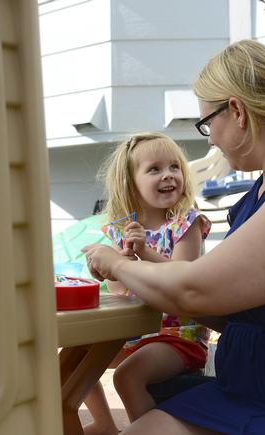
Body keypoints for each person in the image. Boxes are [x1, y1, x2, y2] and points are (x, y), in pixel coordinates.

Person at [83, 39, 265, 435]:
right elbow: (228, 308)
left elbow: (196, 290)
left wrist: (116, 263)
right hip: (253, 395)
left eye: (208, 124)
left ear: (237, 111)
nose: (210, 140)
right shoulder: (260, 195)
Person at [83, 133, 211, 435]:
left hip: (178, 336)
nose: (168, 175)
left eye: (174, 167)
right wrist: (114, 273)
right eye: (154, 169)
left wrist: (141, 255)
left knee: (127, 376)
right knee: (79, 362)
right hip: (136, 335)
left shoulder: (186, 223)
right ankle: (103, 423)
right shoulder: (124, 229)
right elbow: (122, 293)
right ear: (131, 182)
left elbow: (183, 277)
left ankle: (146, 430)